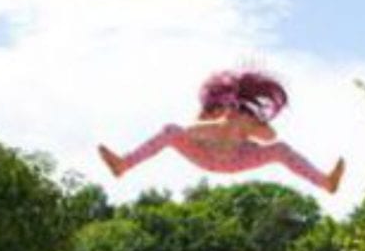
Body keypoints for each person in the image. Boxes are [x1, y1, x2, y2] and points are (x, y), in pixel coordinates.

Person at [98, 68, 346, 193]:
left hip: (238, 158)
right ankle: (123, 164)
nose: (228, 108)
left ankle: (325, 182)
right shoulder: (210, 113)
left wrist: (247, 124)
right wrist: (217, 125)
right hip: (206, 157)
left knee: (281, 150)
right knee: (171, 130)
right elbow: (189, 131)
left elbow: (271, 137)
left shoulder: (244, 117)